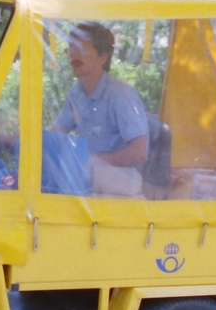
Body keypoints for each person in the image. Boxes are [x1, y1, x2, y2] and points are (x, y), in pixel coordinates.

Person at [52, 22, 148, 194]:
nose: (74, 56)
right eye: (71, 50)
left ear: (102, 58)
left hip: (121, 184)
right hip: (89, 179)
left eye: (83, 50)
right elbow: (55, 134)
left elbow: (140, 152)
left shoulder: (120, 95)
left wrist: (93, 161)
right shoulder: (77, 93)